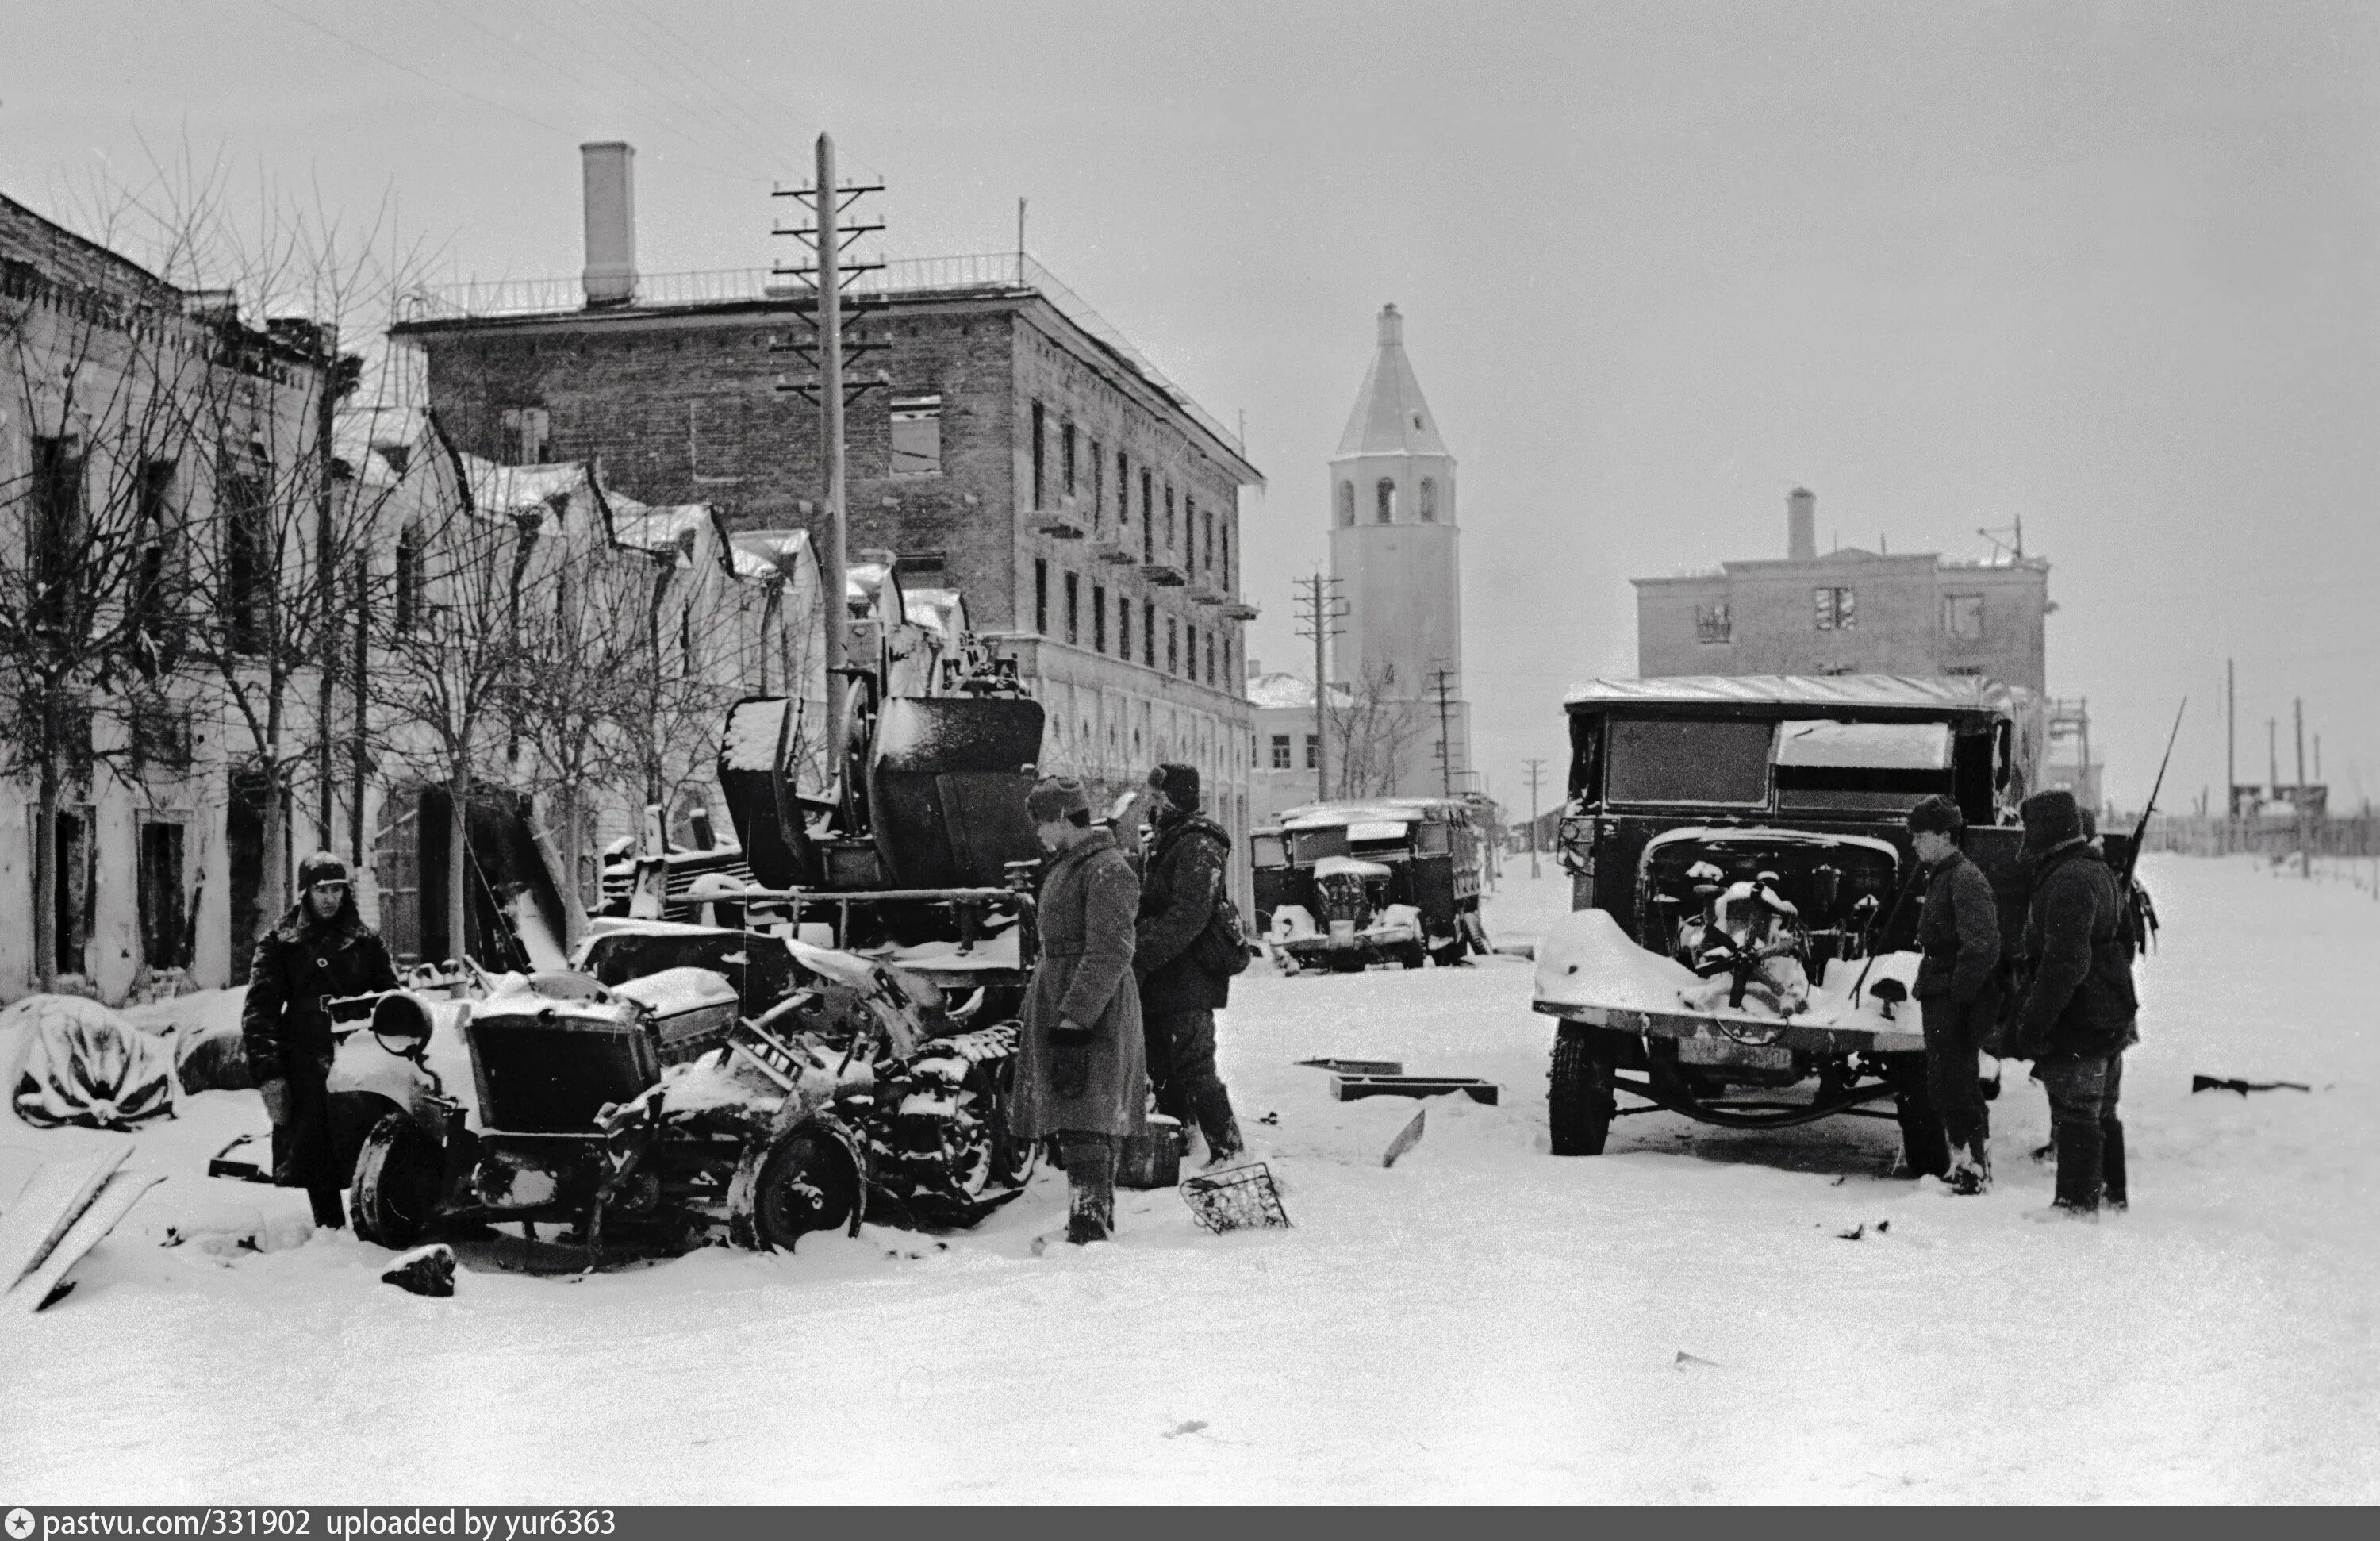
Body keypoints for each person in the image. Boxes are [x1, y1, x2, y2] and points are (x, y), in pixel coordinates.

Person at [1012, 777, 1148, 1244]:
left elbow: (1110, 952)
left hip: (1093, 1010)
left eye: (1042, 823)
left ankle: (1089, 1232)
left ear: (1062, 819)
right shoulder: (1073, 866)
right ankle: (1090, 1227)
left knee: (1086, 1118)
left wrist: (1074, 1019)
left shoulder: (1106, 869)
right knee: (1075, 1117)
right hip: (1069, 1001)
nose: (1038, 835)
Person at [240, 851, 398, 1228]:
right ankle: (329, 1231)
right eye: (321, 889)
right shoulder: (280, 941)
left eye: (337, 889)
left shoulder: (365, 940)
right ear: (306, 892)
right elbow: (258, 1013)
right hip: (306, 1057)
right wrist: (270, 1075)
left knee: (371, 1143)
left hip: (360, 1054)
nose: (330, 898)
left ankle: (374, 1222)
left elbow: (392, 999)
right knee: (317, 1149)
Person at [2010, 790, 2138, 1218]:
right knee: (2101, 1107)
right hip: (2108, 1007)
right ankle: (2109, 1195)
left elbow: (2065, 964)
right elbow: (2126, 942)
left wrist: (2033, 1022)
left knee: (2077, 1108)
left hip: (2080, 1013)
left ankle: (2076, 1204)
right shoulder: (2096, 870)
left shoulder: (2068, 879)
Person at [1133, 763, 1245, 1168]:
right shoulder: (1165, 840)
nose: (1151, 803)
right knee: (1163, 1066)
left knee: (1195, 1065)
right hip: (1166, 975)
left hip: (1189, 976)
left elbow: (1189, 916)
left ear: (1175, 799)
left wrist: (1140, 949)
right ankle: (1178, 1144)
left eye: (1157, 796)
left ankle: (1229, 1151)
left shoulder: (1199, 844)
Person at [1906, 795, 2001, 1194]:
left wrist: (1961, 1001)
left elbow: (1981, 947)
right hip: (1942, 989)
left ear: (1945, 837)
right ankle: (1968, 1162)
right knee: (1949, 1080)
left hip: (1951, 995)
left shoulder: (1964, 878)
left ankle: (1972, 1167)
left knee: (1955, 1082)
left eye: (1921, 836)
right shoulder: (1945, 874)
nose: (1914, 844)